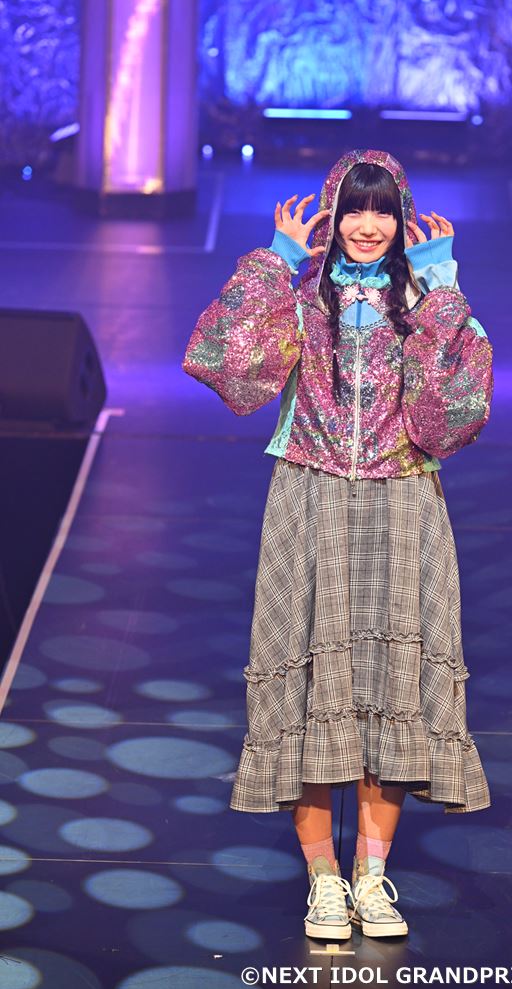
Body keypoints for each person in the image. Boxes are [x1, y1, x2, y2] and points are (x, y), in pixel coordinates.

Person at [182, 148, 494, 942]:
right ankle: (323, 880)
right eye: (355, 207)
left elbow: (450, 419)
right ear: (332, 216)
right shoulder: (300, 302)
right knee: (313, 689)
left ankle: (371, 877)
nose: (368, 224)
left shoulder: (427, 303)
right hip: (310, 497)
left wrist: (443, 291)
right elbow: (224, 365)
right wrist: (274, 262)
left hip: (402, 501)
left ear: (404, 219)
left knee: (390, 691)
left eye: (384, 209)